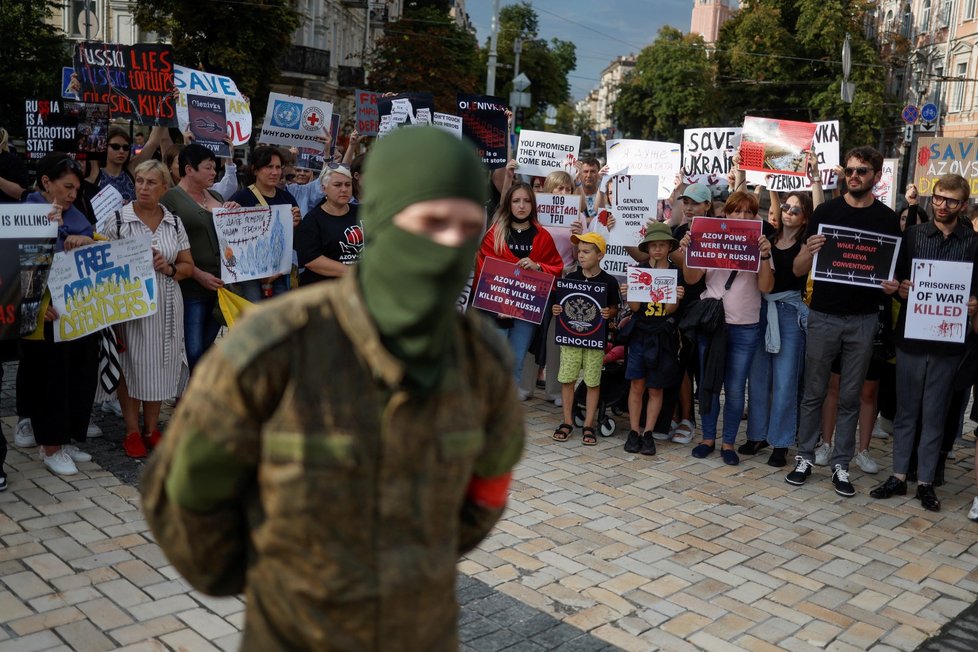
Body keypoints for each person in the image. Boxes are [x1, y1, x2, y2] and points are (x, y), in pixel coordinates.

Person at [141, 127, 524, 650]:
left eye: (466, 225)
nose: (451, 242)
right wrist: (271, 579)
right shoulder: (275, 344)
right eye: (432, 222)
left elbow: (487, 489)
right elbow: (183, 495)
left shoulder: (478, 359)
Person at [786, 146, 901, 497]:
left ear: (876, 177)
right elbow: (797, 269)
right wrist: (809, 250)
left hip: (864, 319)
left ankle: (841, 463)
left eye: (862, 171)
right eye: (850, 170)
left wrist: (892, 285)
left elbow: (893, 276)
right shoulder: (825, 211)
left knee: (851, 395)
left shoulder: (886, 218)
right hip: (823, 314)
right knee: (814, 392)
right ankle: (805, 456)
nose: (854, 176)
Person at [870, 173, 978, 512]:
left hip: (950, 340)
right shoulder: (913, 236)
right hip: (912, 337)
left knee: (935, 413)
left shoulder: (974, 243)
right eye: (938, 198)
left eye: (950, 200)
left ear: (963, 205)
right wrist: (898, 286)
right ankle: (899, 476)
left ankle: (927, 482)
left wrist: (976, 301)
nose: (942, 205)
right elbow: (896, 277)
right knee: (906, 411)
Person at [98, 160, 193, 459]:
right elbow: (100, 261)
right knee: (132, 364)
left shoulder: (174, 222)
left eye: (151, 182)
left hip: (165, 300)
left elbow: (189, 267)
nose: (143, 187)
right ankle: (131, 430)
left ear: (165, 187)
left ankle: (152, 428)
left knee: (163, 363)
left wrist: (169, 266)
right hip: (130, 303)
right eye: (139, 181)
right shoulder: (118, 220)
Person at [678, 191, 774, 466]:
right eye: (736, 211)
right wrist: (688, 251)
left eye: (748, 212)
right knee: (708, 383)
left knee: (734, 388)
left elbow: (766, 287)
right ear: (726, 215)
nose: (742, 217)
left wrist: (765, 256)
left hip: (744, 325)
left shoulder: (759, 243)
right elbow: (692, 277)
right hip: (712, 323)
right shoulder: (711, 236)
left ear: (756, 216)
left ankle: (728, 442)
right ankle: (708, 438)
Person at [18, 154, 97, 476]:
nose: (71, 195)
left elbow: (100, 248)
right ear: (46, 182)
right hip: (45, 315)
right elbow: (18, 264)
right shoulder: (27, 216)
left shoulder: (77, 216)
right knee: (50, 378)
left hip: (77, 312)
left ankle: (66, 439)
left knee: (79, 374)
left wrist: (87, 240)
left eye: (76, 189)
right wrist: (35, 307)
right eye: (67, 187)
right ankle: (50, 445)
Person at [475, 182, 564, 397]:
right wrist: (499, 305)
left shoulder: (542, 236)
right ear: (509, 204)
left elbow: (557, 268)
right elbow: (483, 272)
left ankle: (508, 406)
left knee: (517, 359)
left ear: (533, 205)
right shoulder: (494, 234)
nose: (521, 206)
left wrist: (538, 266)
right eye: (516, 201)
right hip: (497, 308)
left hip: (526, 310)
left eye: (526, 201)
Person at [743, 192, 811, 467]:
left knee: (785, 381)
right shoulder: (768, 238)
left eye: (796, 209)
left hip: (789, 313)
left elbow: (796, 272)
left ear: (806, 216)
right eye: (786, 207)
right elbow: (741, 218)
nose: (789, 212)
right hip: (761, 310)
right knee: (758, 379)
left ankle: (781, 442)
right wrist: (755, 179)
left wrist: (817, 181)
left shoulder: (807, 242)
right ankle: (757, 435)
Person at [161, 144, 235, 371]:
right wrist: (197, 274)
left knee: (205, 345)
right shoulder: (170, 199)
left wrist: (234, 210)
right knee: (192, 349)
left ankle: (190, 394)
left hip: (220, 285)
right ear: (189, 169)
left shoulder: (216, 195)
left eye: (215, 168)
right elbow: (167, 245)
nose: (214, 173)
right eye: (209, 168)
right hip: (191, 285)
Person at [551, 232, 621, 445]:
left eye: (586, 251)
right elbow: (561, 305)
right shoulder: (570, 279)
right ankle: (567, 421)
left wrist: (610, 313)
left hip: (595, 341)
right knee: (567, 379)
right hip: (571, 339)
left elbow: (615, 307)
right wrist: (557, 309)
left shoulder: (609, 281)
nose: (580, 256)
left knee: (592, 381)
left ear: (600, 255)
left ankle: (589, 424)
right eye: (579, 251)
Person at [623, 223, 686, 456]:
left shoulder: (675, 273)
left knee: (656, 387)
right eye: (653, 245)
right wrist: (629, 294)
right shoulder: (638, 269)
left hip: (662, 336)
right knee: (637, 384)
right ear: (647, 248)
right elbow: (635, 307)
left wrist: (676, 298)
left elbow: (670, 311)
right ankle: (634, 430)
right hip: (640, 333)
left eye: (662, 245)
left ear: (669, 247)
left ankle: (648, 432)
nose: (657, 249)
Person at [229, 146, 302, 300]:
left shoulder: (287, 199)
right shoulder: (240, 198)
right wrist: (228, 211)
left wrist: (295, 225)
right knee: (255, 315)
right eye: (269, 167)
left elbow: (295, 242)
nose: (275, 172)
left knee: (280, 319)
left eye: (278, 167)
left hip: (279, 273)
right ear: (255, 170)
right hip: (249, 275)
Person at [294, 163, 361, 284]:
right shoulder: (313, 219)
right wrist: (353, 272)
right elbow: (311, 260)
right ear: (324, 189)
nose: (344, 189)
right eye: (337, 185)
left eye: (348, 184)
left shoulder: (363, 212)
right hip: (325, 291)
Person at [90, 126, 166, 202]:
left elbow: (153, 143)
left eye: (126, 147)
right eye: (115, 146)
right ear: (104, 146)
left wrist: (161, 116)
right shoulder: (94, 172)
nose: (122, 151)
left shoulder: (131, 169)